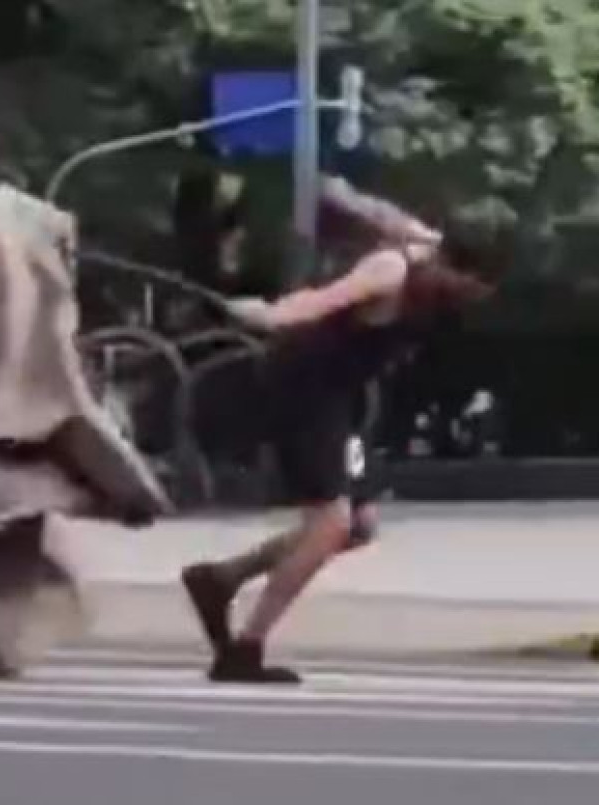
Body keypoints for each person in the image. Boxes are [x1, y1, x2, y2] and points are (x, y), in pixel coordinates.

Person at [180, 177, 499, 684]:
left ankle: (222, 579)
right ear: (458, 267)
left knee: (359, 525)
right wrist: (269, 313)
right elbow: (319, 302)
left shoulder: (424, 252)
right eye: (475, 284)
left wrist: (345, 195)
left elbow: (383, 215)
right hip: (304, 392)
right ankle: (245, 650)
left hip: (340, 398)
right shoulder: (391, 269)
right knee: (329, 524)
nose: (476, 297)